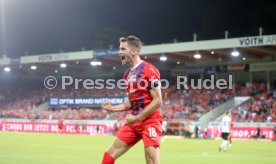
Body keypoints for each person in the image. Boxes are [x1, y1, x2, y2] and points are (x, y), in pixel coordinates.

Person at [101, 35, 163, 164]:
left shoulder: (149, 70)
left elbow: (158, 100)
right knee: (108, 157)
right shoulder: (127, 75)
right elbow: (131, 103)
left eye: (123, 49)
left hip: (150, 120)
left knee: (151, 162)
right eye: (119, 49)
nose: (119, 52)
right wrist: (113, 108)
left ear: (134, 51)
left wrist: (138, 117)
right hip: (134, 121)